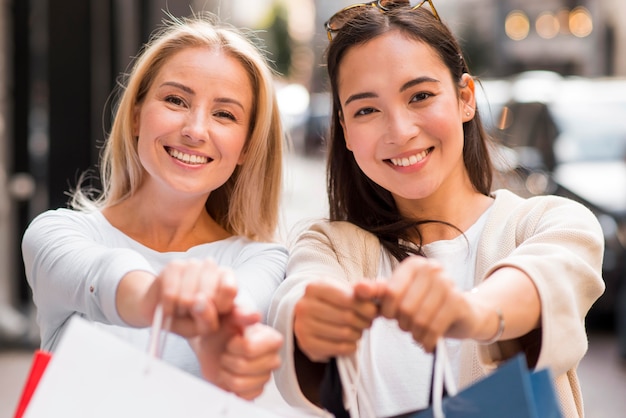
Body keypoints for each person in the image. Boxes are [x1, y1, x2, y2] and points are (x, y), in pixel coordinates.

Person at [268, 1, 605, 417]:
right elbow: (299, 302)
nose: (400, 130)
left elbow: (543, 282)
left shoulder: (547, 223)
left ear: (465, 98)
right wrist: (315, 321)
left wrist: (470, 311)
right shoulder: (330, 247)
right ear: (344, 129)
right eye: (367, 109)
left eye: (420, 95)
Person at [22, 13, 287, 401]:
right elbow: (102, 277)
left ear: (246, 146)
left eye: (224, 114)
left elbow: (241, 307)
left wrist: (219, 331)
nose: (195, 130)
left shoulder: (267, 262)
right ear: (134, 115)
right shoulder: (57, 233)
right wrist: (157, 300)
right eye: (176, 100)